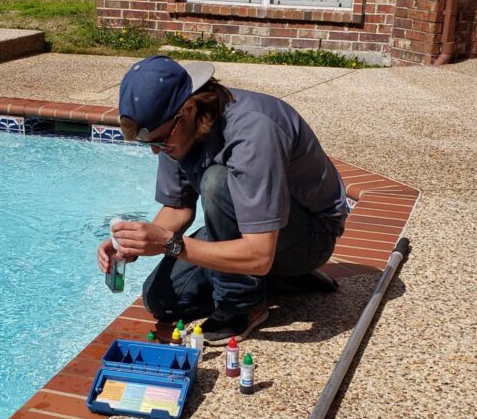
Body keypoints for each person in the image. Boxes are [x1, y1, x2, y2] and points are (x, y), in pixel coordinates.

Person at [98, 56, 347, 345]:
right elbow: (178, 208)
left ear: (188, 109)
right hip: (253, 229)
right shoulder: (176, 131)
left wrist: (170, 244)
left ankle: (243, 306)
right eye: (149, 144)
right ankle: (278, 280)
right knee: (161, 299)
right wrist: (136, 243)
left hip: (309, 234)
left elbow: (259, 252)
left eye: (160, 141)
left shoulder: (253, 131)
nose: (157, 152)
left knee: (217, 183)